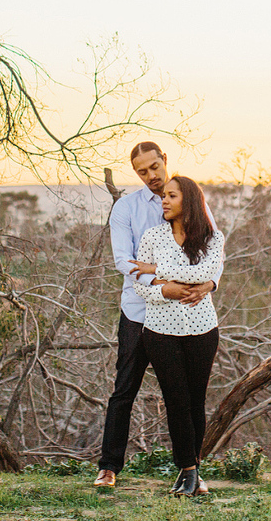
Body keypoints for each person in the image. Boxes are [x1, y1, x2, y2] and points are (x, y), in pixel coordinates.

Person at [94, 143, 218, 490]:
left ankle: (191, 470)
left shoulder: (193, 201)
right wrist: (165, 288)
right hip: (138, 312)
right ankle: (108, 466)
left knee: (187, 397)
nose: (150, 176)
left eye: (153, 167)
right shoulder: (126, 208)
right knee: (124, 389)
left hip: (187, 318)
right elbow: (125, 260)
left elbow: (212, 251)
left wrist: (209, 283)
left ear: (164, 161)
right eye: (142, 172)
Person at [129, 175, 225, 497]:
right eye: (163, 196)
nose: (164, 200)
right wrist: (163, 289)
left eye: (171, 196)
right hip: (160, 333)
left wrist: (156, 271)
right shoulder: (152, 236)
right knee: (176, 400)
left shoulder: (213, 238)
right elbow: (138, 286)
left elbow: (203, 274)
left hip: (202, 331)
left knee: (196, 402)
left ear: (190, 201)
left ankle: (191, 472)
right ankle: (188, 470)